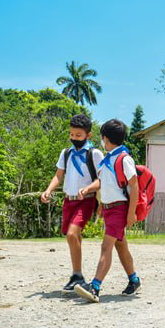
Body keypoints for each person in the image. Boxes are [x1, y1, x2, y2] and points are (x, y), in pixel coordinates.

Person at [74, 119, 141, 303]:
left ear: (105, 138)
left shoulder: (124, 158)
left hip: (120, 209)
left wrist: (131, 213)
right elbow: (104, 183)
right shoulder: (107, 160)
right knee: (120, 246)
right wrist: (94, 195)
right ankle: (134, 280)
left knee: (106, 246)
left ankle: (95, 287)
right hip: (110, 209)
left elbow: (134, 186)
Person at [41, 114, 103, 293]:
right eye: (71, 134)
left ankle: (77, 276)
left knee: (71, 235)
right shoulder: (66, 153)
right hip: (69, 201)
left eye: (78, 135)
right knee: (74, 237)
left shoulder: (95, 154)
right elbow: (59, 175)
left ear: (88, 135)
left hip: (86, 201)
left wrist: (89, 188)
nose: (74, 138)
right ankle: (78, 275)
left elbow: (102, 179)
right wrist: (49, 190)